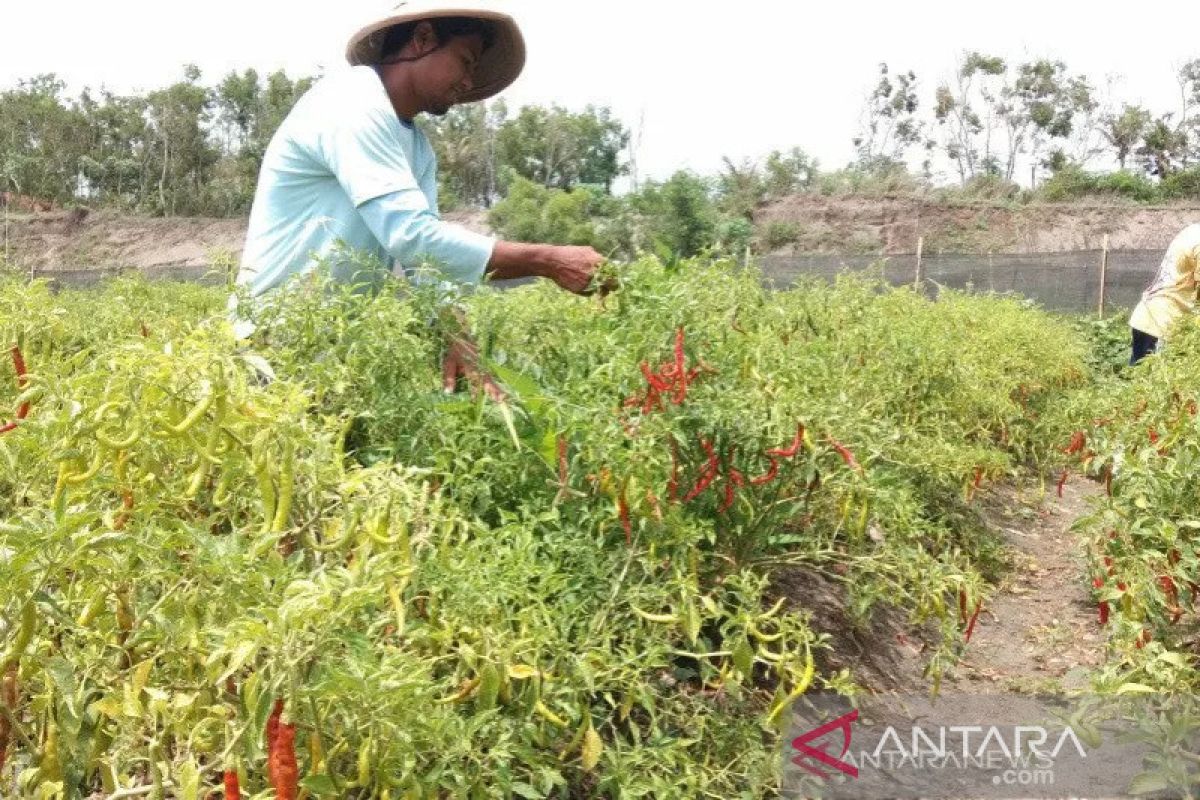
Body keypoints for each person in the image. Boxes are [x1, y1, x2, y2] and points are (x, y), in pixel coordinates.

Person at [234, 1, 605, 389]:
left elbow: (425, 267)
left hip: (330, 356)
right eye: (465, 60)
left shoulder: (417, 148)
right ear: (422, 39)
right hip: (269, 346)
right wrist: (546, 260)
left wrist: (460, 340)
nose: (468, 82)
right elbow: (410, 236)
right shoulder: (351, 101)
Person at [1128, 223, 1200, 365]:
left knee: (1140, 378)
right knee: (1152, 381)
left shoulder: (1193, 231)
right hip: (1161, 323)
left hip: (1151, 314)